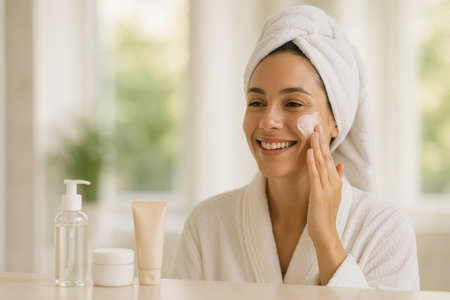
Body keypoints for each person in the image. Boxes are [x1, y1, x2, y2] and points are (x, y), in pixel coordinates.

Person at [171, 5, 420, 290]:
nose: (268, 121)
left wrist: (326, 236)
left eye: (293, 104)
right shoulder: (206, 225)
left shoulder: (385, 230)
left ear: (336, 120)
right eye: (256, 103)